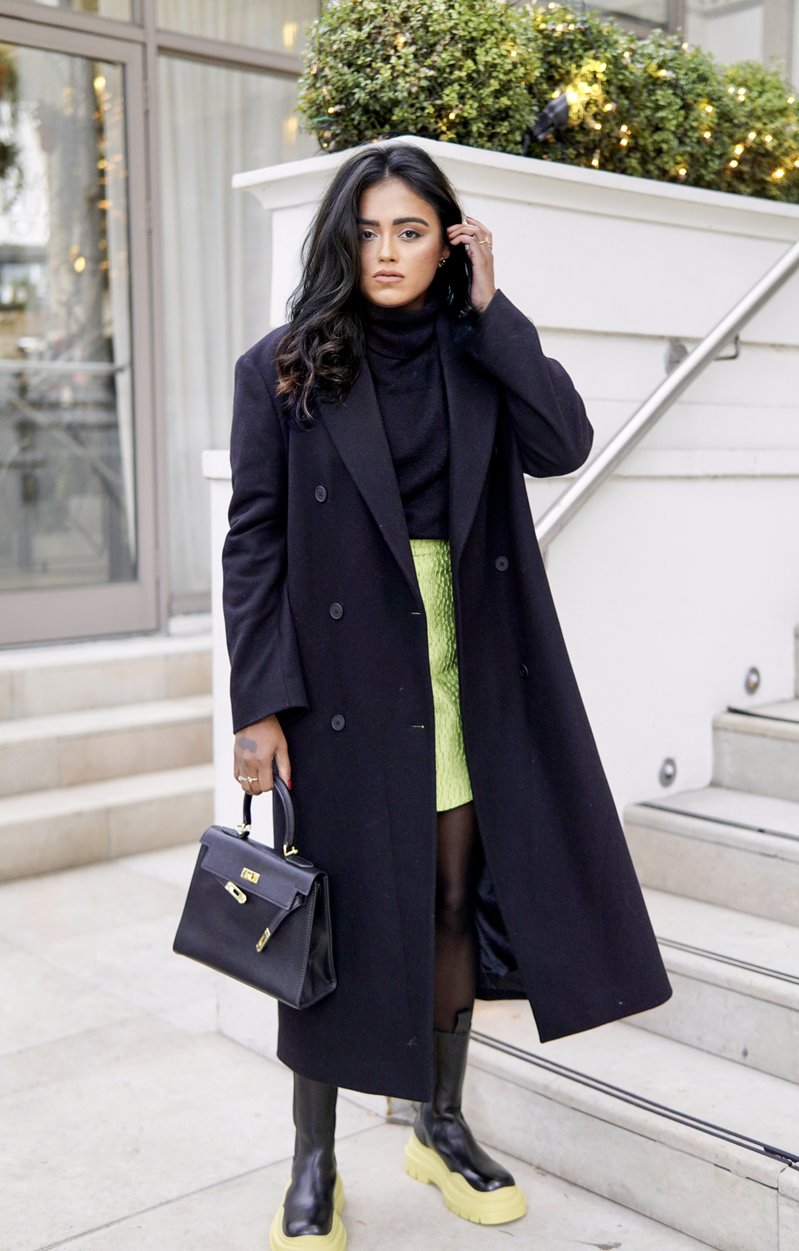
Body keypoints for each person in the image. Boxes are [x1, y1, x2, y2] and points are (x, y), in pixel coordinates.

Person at [222, 141, 672, 1250]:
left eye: (410, 231)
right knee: (327, 924)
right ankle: (315, 1157)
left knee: (447, 904)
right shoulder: (282, 366)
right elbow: (254, 545)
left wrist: (494, 305)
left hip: (465, 668)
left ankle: (439, 1122)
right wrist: (256, 703)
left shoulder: (478, 355)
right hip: (339, 681)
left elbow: (563, 442)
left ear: (448, 240)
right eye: (368, 230)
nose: (386, 253)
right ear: (340, 237)